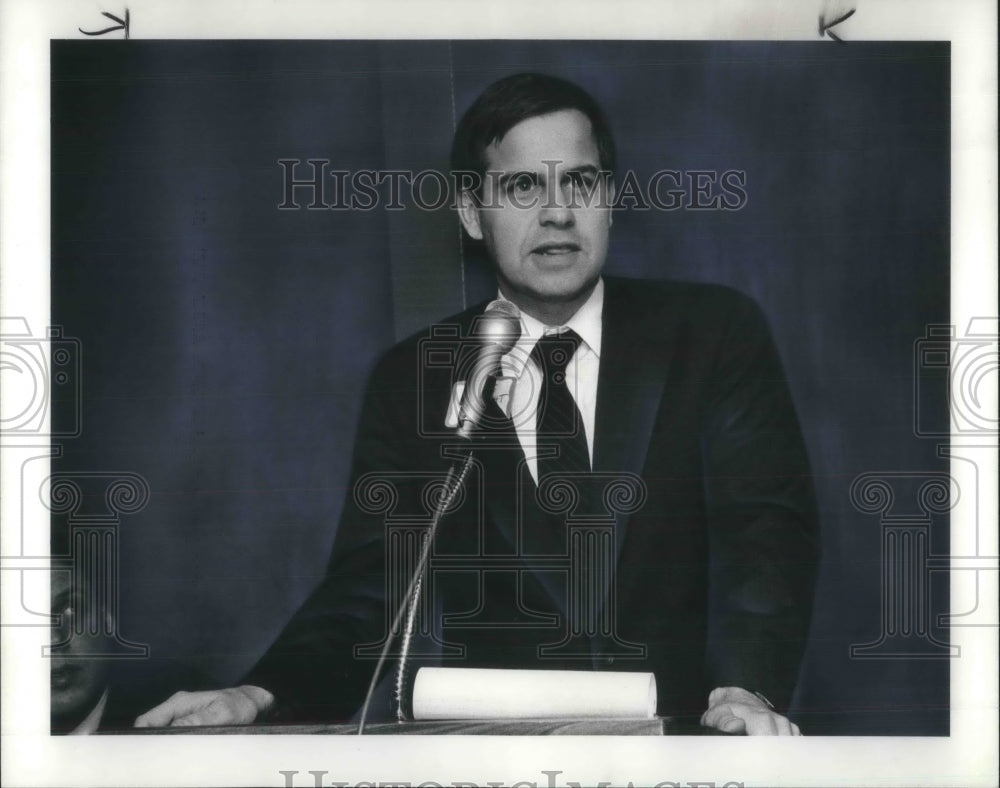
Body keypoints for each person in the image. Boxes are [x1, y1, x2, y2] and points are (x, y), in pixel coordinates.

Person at [136, 72, 819, 735]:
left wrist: (746, 689)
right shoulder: (417, 378)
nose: (557, 211)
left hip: (693, 746)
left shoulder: (713, 332)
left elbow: (764, 530)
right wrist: (261, 692)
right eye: (522, 185)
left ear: (609, 199)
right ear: (470, 212)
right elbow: (377, 582)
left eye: (579, 181)